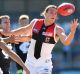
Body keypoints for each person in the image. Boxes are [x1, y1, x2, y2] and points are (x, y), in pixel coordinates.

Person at [0, 5, 78, 74]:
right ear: (45, 13)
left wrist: (72, 32)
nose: (53, 14)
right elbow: (24, 30)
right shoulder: (35, 22)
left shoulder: (58, 29)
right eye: (51, 12)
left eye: (55, 13)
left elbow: (66, 42)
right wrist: (9, 33)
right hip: (30, 63)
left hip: (45, 64)